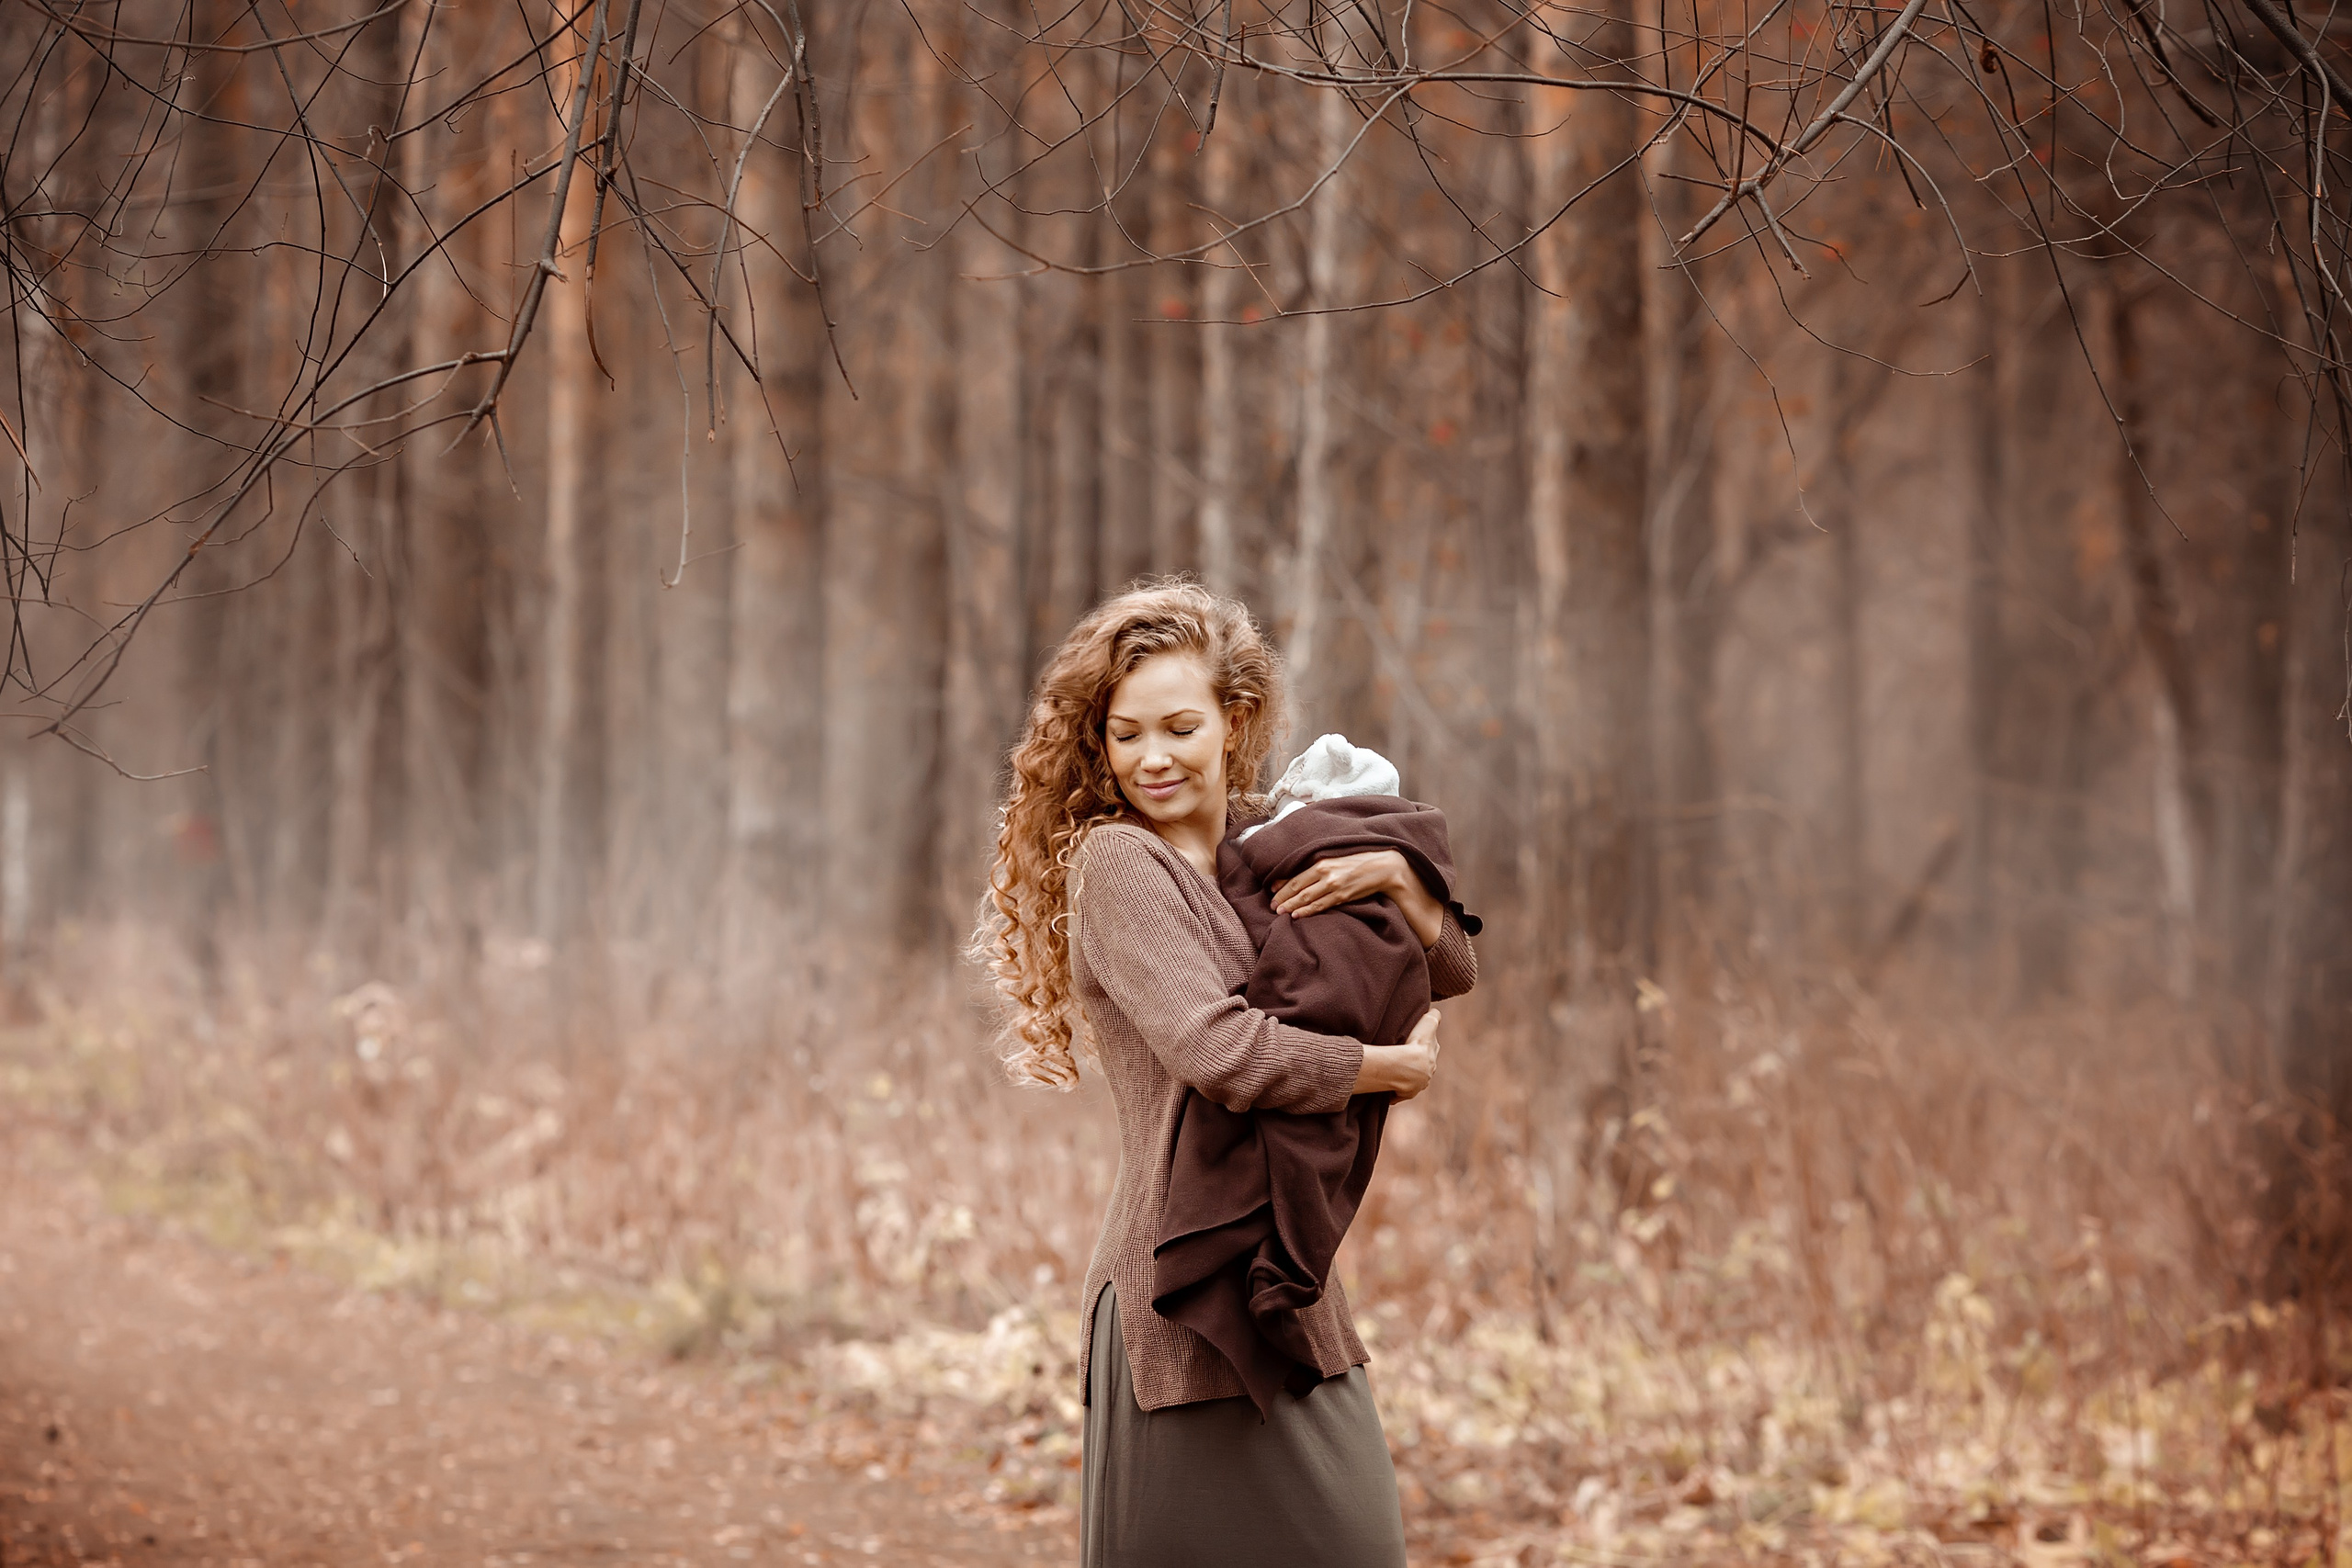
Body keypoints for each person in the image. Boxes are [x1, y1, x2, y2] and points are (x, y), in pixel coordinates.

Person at [976, 582, 1478, 1568]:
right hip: (1179, 1281)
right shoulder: (1119, 865)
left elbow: (1447, 969)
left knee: (1356, 1545)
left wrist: (1397, 879)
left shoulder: (1273, 838)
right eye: (1125, 736)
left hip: (1287, 1269)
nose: (1152, 758)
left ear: (1232, 720)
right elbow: (1220, 1052)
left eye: (1178, 726)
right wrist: (1383, 1071)